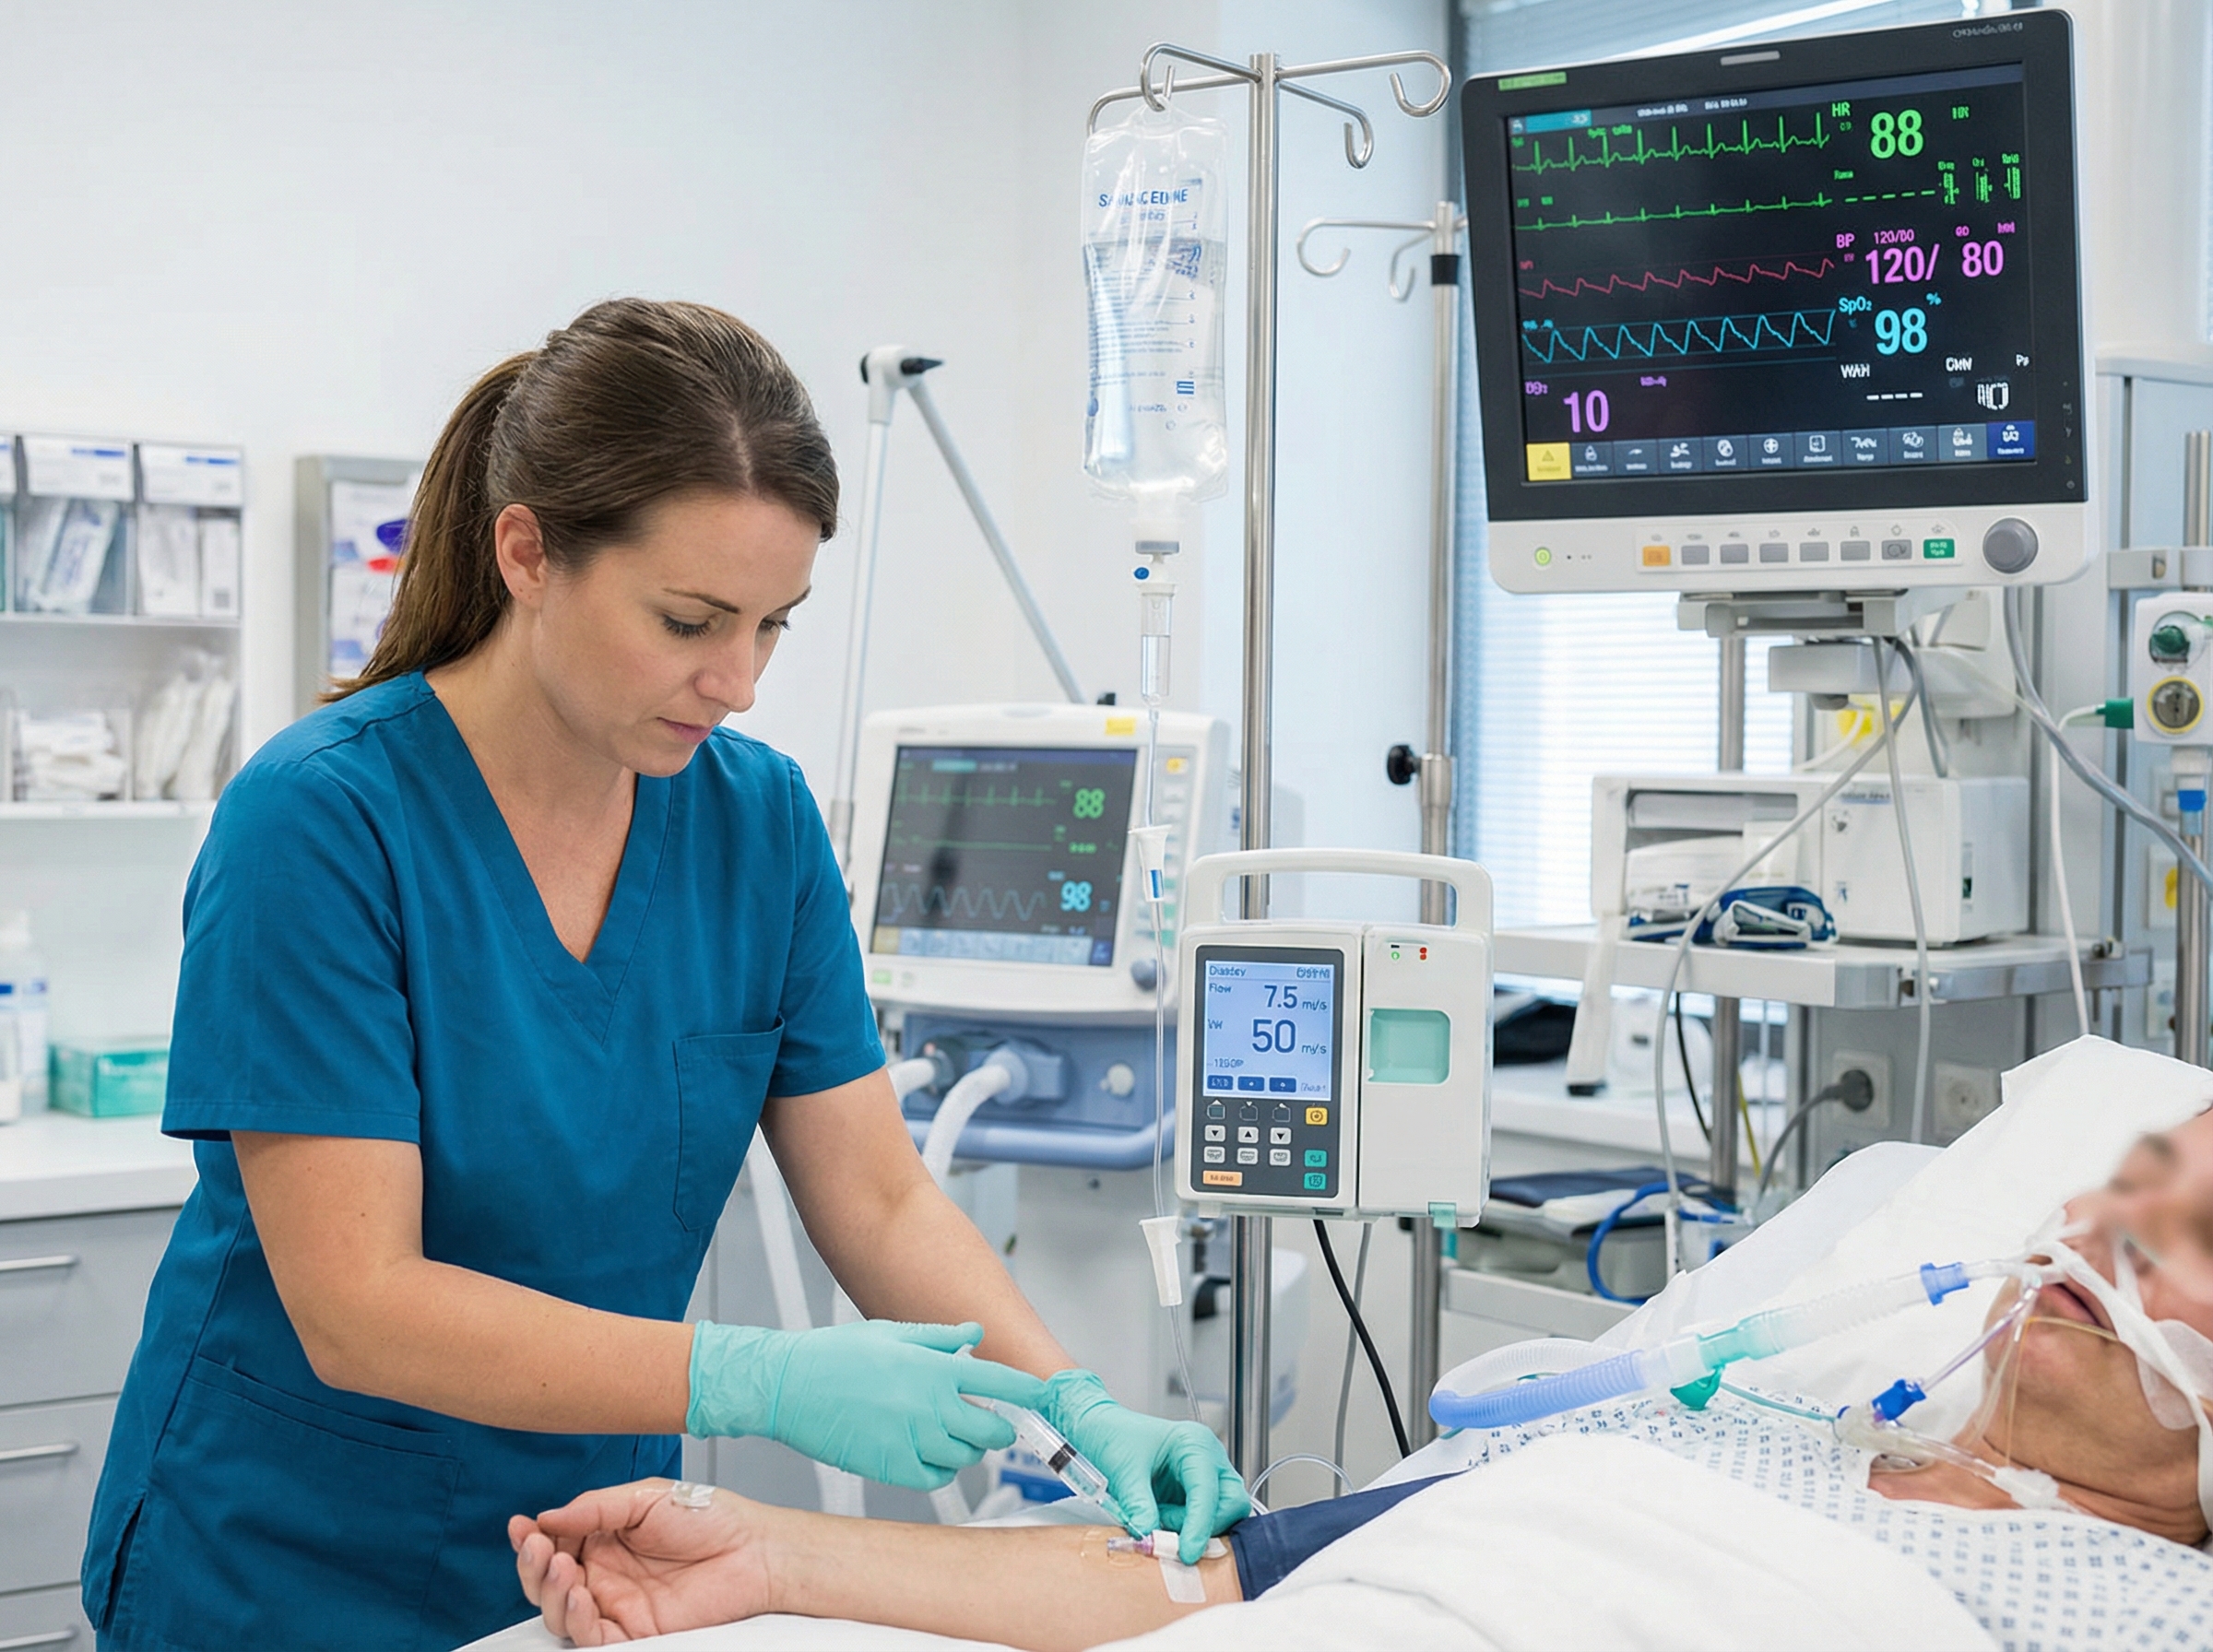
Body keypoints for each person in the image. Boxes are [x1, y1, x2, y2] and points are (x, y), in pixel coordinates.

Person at [82, 299, 1243, 1652]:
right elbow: (360, 1304)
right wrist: (757, 1377)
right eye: (692, 619)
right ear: (527, 553)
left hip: (592, 1558)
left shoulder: (757, 822)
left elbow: (872, 1192)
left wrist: (1077, 1409)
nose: (738, 680)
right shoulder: (322, 822)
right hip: (282, 1564)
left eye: (773, 626)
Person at [510, 1110, 2213, 1651]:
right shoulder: (1729, 1419)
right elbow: (1223, 1579)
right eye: (2126, 1174)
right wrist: (773, 1556)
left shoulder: (2144, 1611)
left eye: (2192, 1233)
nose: (2104, 1230)